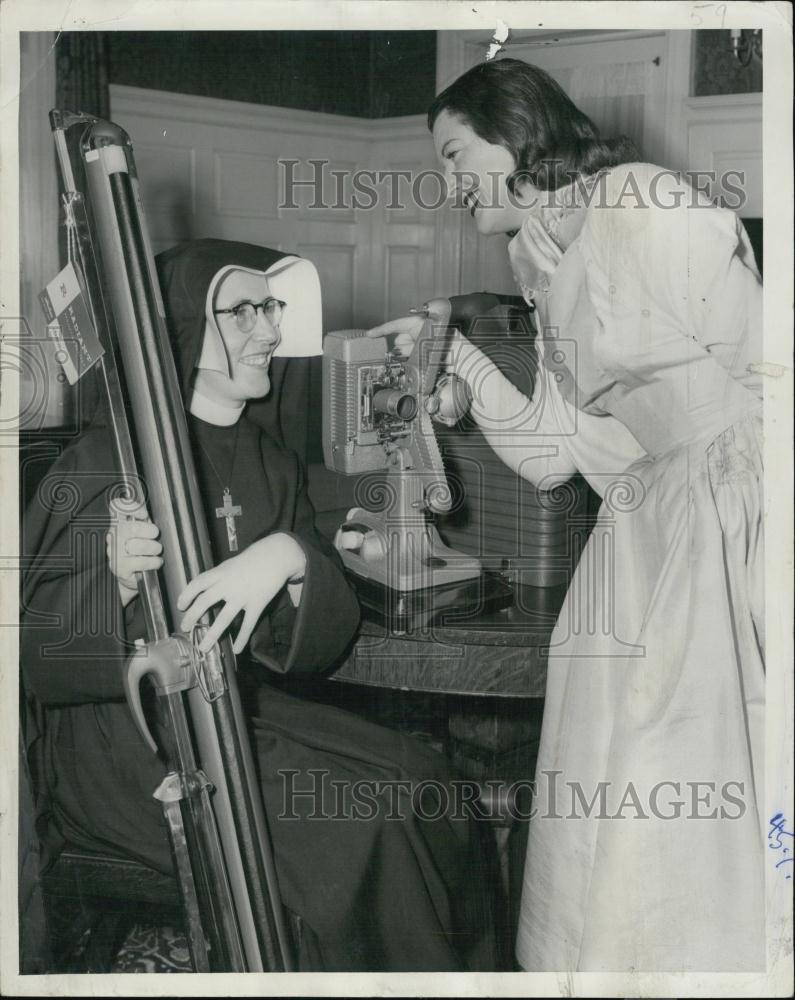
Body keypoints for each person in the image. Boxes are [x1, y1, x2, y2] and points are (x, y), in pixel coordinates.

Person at [369, 59, 765, 973]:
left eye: (456, 151)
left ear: (515, 134)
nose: (447, 179)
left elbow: (767, 366)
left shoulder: (642, 203)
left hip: (730, 503)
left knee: (681, 789)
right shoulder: (534, 254)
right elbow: (557, 451)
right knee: (605, 791)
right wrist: (459, 363)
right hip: (648, 515)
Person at [21, 238, 496, 972]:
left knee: (425, 783)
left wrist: (289, 560)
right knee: (360, 831)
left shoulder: (268, 458)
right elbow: (33, 660)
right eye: (242, 313)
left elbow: (306, 640)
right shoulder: (100, 459)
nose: (270, 332)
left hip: (233, 708)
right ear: (183, 325)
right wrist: (112, 581)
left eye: (269, 308)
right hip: (123, 743)